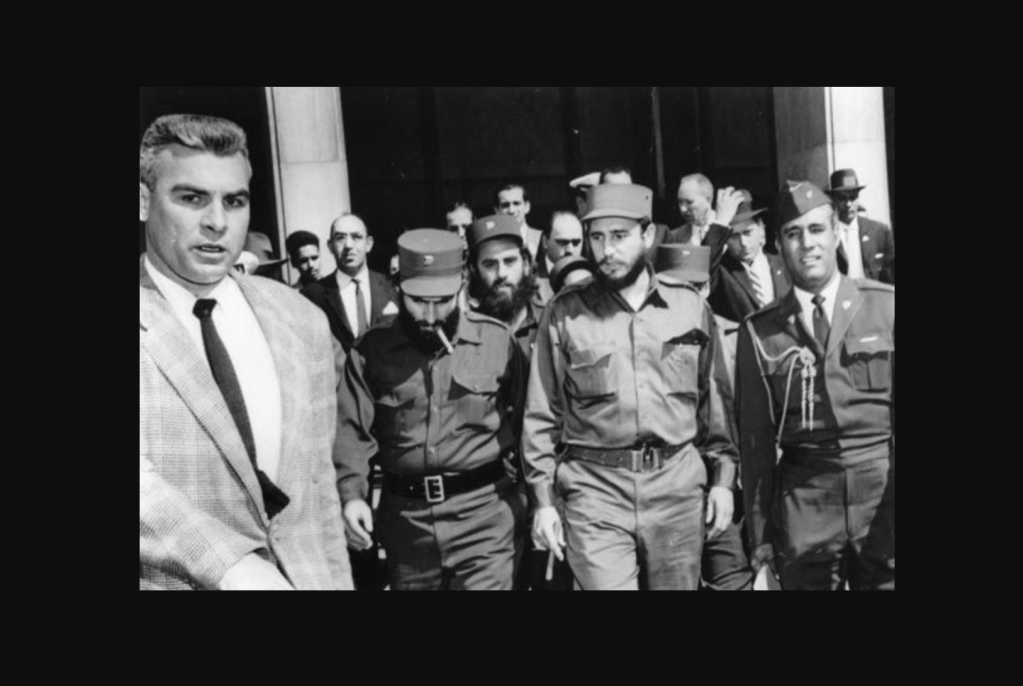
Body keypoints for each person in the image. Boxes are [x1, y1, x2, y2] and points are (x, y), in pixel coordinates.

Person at [139, 113, 352, 591]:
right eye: (192, 198)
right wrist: (235, 568)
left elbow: (319, 497)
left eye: (234, 201)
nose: (217, 222)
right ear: (143, 200)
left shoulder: (301, 321)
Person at [524, 183, 738, 590]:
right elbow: (541, 414)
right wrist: (543, 502)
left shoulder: (689, 306)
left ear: (648, 235)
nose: (607, 250)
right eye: (597, 237)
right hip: (595, 491)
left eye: (619, 236)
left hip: (676, 491)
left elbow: (716, 407)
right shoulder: (565, 313)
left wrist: (723, 481)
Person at [335, 229, 529, 590]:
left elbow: (530, 425)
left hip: (484, 523)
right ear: (398, 289)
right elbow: (350, 434)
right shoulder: (370, 353)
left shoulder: (498, 342)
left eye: (442, 301)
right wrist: (352, 497)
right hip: (408, 531)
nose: (430, 315)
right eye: (418, 301)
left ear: (462, 286)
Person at [736, 180, 895, 591]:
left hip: (882, 495)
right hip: (806, 503)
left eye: (816, 230)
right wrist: (761, 532)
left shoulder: (886, 307)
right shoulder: (759, 331)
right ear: (779, 244)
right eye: (793, 233)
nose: (806, 244)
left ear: (837, 233)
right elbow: (756, 442)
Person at [656, 244, 754, 591]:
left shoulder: (739, 337)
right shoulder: (648, 343)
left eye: (696, 287)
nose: (690, 297)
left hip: (729, 487)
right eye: (679, 287)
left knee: (732, 577)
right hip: (668, 490)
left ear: (709, 287)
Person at [301, 213, 399, 353]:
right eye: (340, 238)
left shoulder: (392, 287)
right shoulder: (312, 295)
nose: (348, 245)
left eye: (356, 237)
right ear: (330, 246)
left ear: (369, 244)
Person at [467, 214, 549, 356]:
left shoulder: (550, 321)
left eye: (509, 261)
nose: (501, 273)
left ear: (526, 264)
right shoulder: (467, 333)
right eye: (490, 264)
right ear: (474, 270)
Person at [708, 190, 791, 322]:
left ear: (761, 229)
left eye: (748, 232)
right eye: (734, 236)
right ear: (726, 239)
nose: (743, 242)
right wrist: (720, 223)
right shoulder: (722, 271)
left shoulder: (785, 263)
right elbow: (702, 269)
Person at [826, 169, 895, 284]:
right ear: (833, 199)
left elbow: (891, 277)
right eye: (842, 198)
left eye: (853, 197)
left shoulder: (880, 231)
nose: (848, 204)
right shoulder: (826, 234)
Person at [495, 183, 543, 262]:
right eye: (505, 205)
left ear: (527, 207)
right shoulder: (492, 242)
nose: (511, 210)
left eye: (516, 203)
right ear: (497, 210)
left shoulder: (541, 238)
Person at [537, 211, 585, 279]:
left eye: (576, 243)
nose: (570, 250)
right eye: (563, 242)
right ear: (545, 242)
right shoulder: (530, 276)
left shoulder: (589, 278)